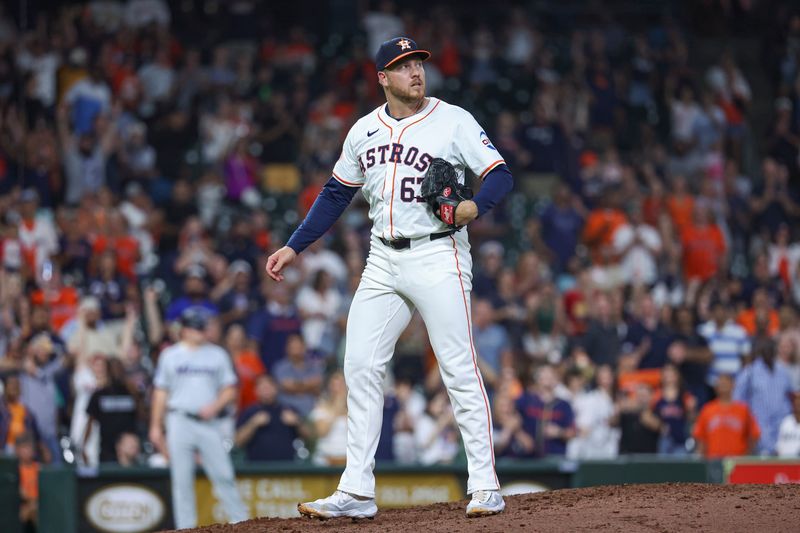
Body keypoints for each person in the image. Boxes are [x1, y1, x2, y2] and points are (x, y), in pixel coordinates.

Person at [267, 37, 513, 519]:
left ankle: (485, 486)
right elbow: (336, 194)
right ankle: (357, 491)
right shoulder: (363, 130)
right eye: (402, 67)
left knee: (459, 369)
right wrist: (293, 246)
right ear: (383, 78)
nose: (415, 72)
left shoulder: (453, 119)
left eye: (418, 63)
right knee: (358, 365)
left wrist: (474, 205)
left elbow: (500, 174)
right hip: (383, 258)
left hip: (438, 253)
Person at [148, 307, 247, 529]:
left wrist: (215, 405)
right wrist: (155, 427)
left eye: (202, 326)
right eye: (195, 327)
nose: (200, 331)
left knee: (223, 474)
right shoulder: (170, 355)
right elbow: (161, 392)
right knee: (181, 480)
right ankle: (186, 528)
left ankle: (241, 524)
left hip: (209, 423)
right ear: (184, 329)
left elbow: (230, 389)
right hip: (179, 419)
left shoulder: (217, 354)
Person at [733, 338, 794, 455]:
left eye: (771, 348)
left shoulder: (782, 371)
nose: (769, 351)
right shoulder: (750, 371)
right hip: (759, 424)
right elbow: (738, 398)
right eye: (766, 349)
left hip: (781, 425)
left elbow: (790, 395)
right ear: (760, 351)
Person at [235, 375, 303, 462]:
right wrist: (253, 424)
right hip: (255, 469)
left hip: (287, 467)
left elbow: (308, 437)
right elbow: (238, 442)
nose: (266, 390)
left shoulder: (289, 409)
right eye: (262, 387)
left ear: (276, 388)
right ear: (256, 391)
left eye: (269, 386)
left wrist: (297, 422)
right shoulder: (249, 412)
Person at [693, 373, 760, 458]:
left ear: (733, 385)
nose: (724, 385)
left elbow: (754, 435)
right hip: (714, 461)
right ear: (716, 387)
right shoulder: (707, 410)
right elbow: (700, 437)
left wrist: (746, 455)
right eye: (721, 383)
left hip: (737, 461)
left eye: (726, 383)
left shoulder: (743, 410)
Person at [516, 365, 576, 457]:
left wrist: (559, 432)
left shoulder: (564, 405)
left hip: (555, 457)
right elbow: (507, 416)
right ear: (537, 379)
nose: (547, 378)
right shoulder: (526, 400)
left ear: (556, 380)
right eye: (544, 375)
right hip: (528, 458)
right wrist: (521, 435)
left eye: (550, 375)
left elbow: (572, 432)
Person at [776, 392, 800, 457]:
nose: (797, 403)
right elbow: (779, 448)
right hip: (785, 463)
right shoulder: (786, 422)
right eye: (796, 400)